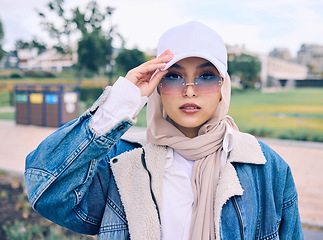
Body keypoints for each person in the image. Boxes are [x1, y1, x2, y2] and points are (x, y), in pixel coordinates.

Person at [24, 21, 303, 240]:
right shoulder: (123, 163)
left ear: (222, 87)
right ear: (157, 86)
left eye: (206, 77)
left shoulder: (266, 168)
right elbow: (47, 191)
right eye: (173, 77)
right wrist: (120, 102)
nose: (190, 90)